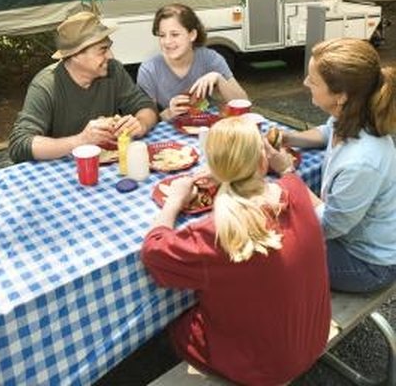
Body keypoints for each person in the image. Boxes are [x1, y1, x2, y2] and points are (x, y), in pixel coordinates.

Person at [141, 117, 331, 386]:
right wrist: (285, 167)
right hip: (313, 337)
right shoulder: (295, 190)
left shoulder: (216, 232)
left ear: (214, 169)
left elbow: (153, 251)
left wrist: (173, 202)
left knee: (174, 320)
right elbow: (288, 177)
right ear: (263, 162)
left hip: (262, 367)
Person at [277, 37, 396, 293]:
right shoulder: (352, 114)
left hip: (368, 264)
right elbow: (325, 132)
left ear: (340, 96)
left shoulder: (362, 161)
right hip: (350, 237)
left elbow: (328, 227)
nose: (305, 83)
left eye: (313, 80)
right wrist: (285, 137)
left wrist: (287, 172)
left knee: (270, 251)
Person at [9, 10, 158, 163]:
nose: (111, 56)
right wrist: (81, 140)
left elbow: (146, 106)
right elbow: (20, 144)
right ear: (76, 55)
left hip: (108, 166)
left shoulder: (113, 70)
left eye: (109, 48)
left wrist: (140, 124)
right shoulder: (46, 85)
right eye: (103, 50)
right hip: (61, 170)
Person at [137, 4, 248, 121]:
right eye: (162, 35)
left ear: (192, 35)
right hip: (169, 134)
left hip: (205, 129)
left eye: (175, 34)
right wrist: (169, 113)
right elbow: (146, 120)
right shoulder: (149, 70)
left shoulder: (210, 59)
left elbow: (243, 102)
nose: (167, 41)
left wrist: (219, 79)